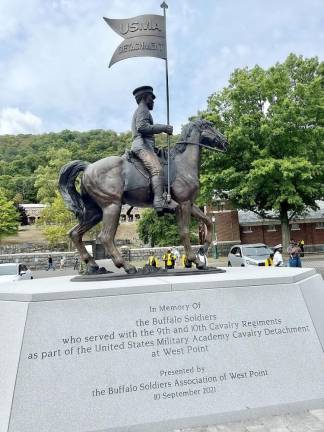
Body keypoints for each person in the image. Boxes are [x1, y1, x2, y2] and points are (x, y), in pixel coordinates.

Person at [131, 85, 178, 214]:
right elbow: (142, 127)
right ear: (145, 97)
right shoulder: (143, 109)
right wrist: (163, 128)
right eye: (151, 98)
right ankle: (159, 201)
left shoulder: (144, 109)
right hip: (141, 145)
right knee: (157, 169)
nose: (153, 101)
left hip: (146, 145)